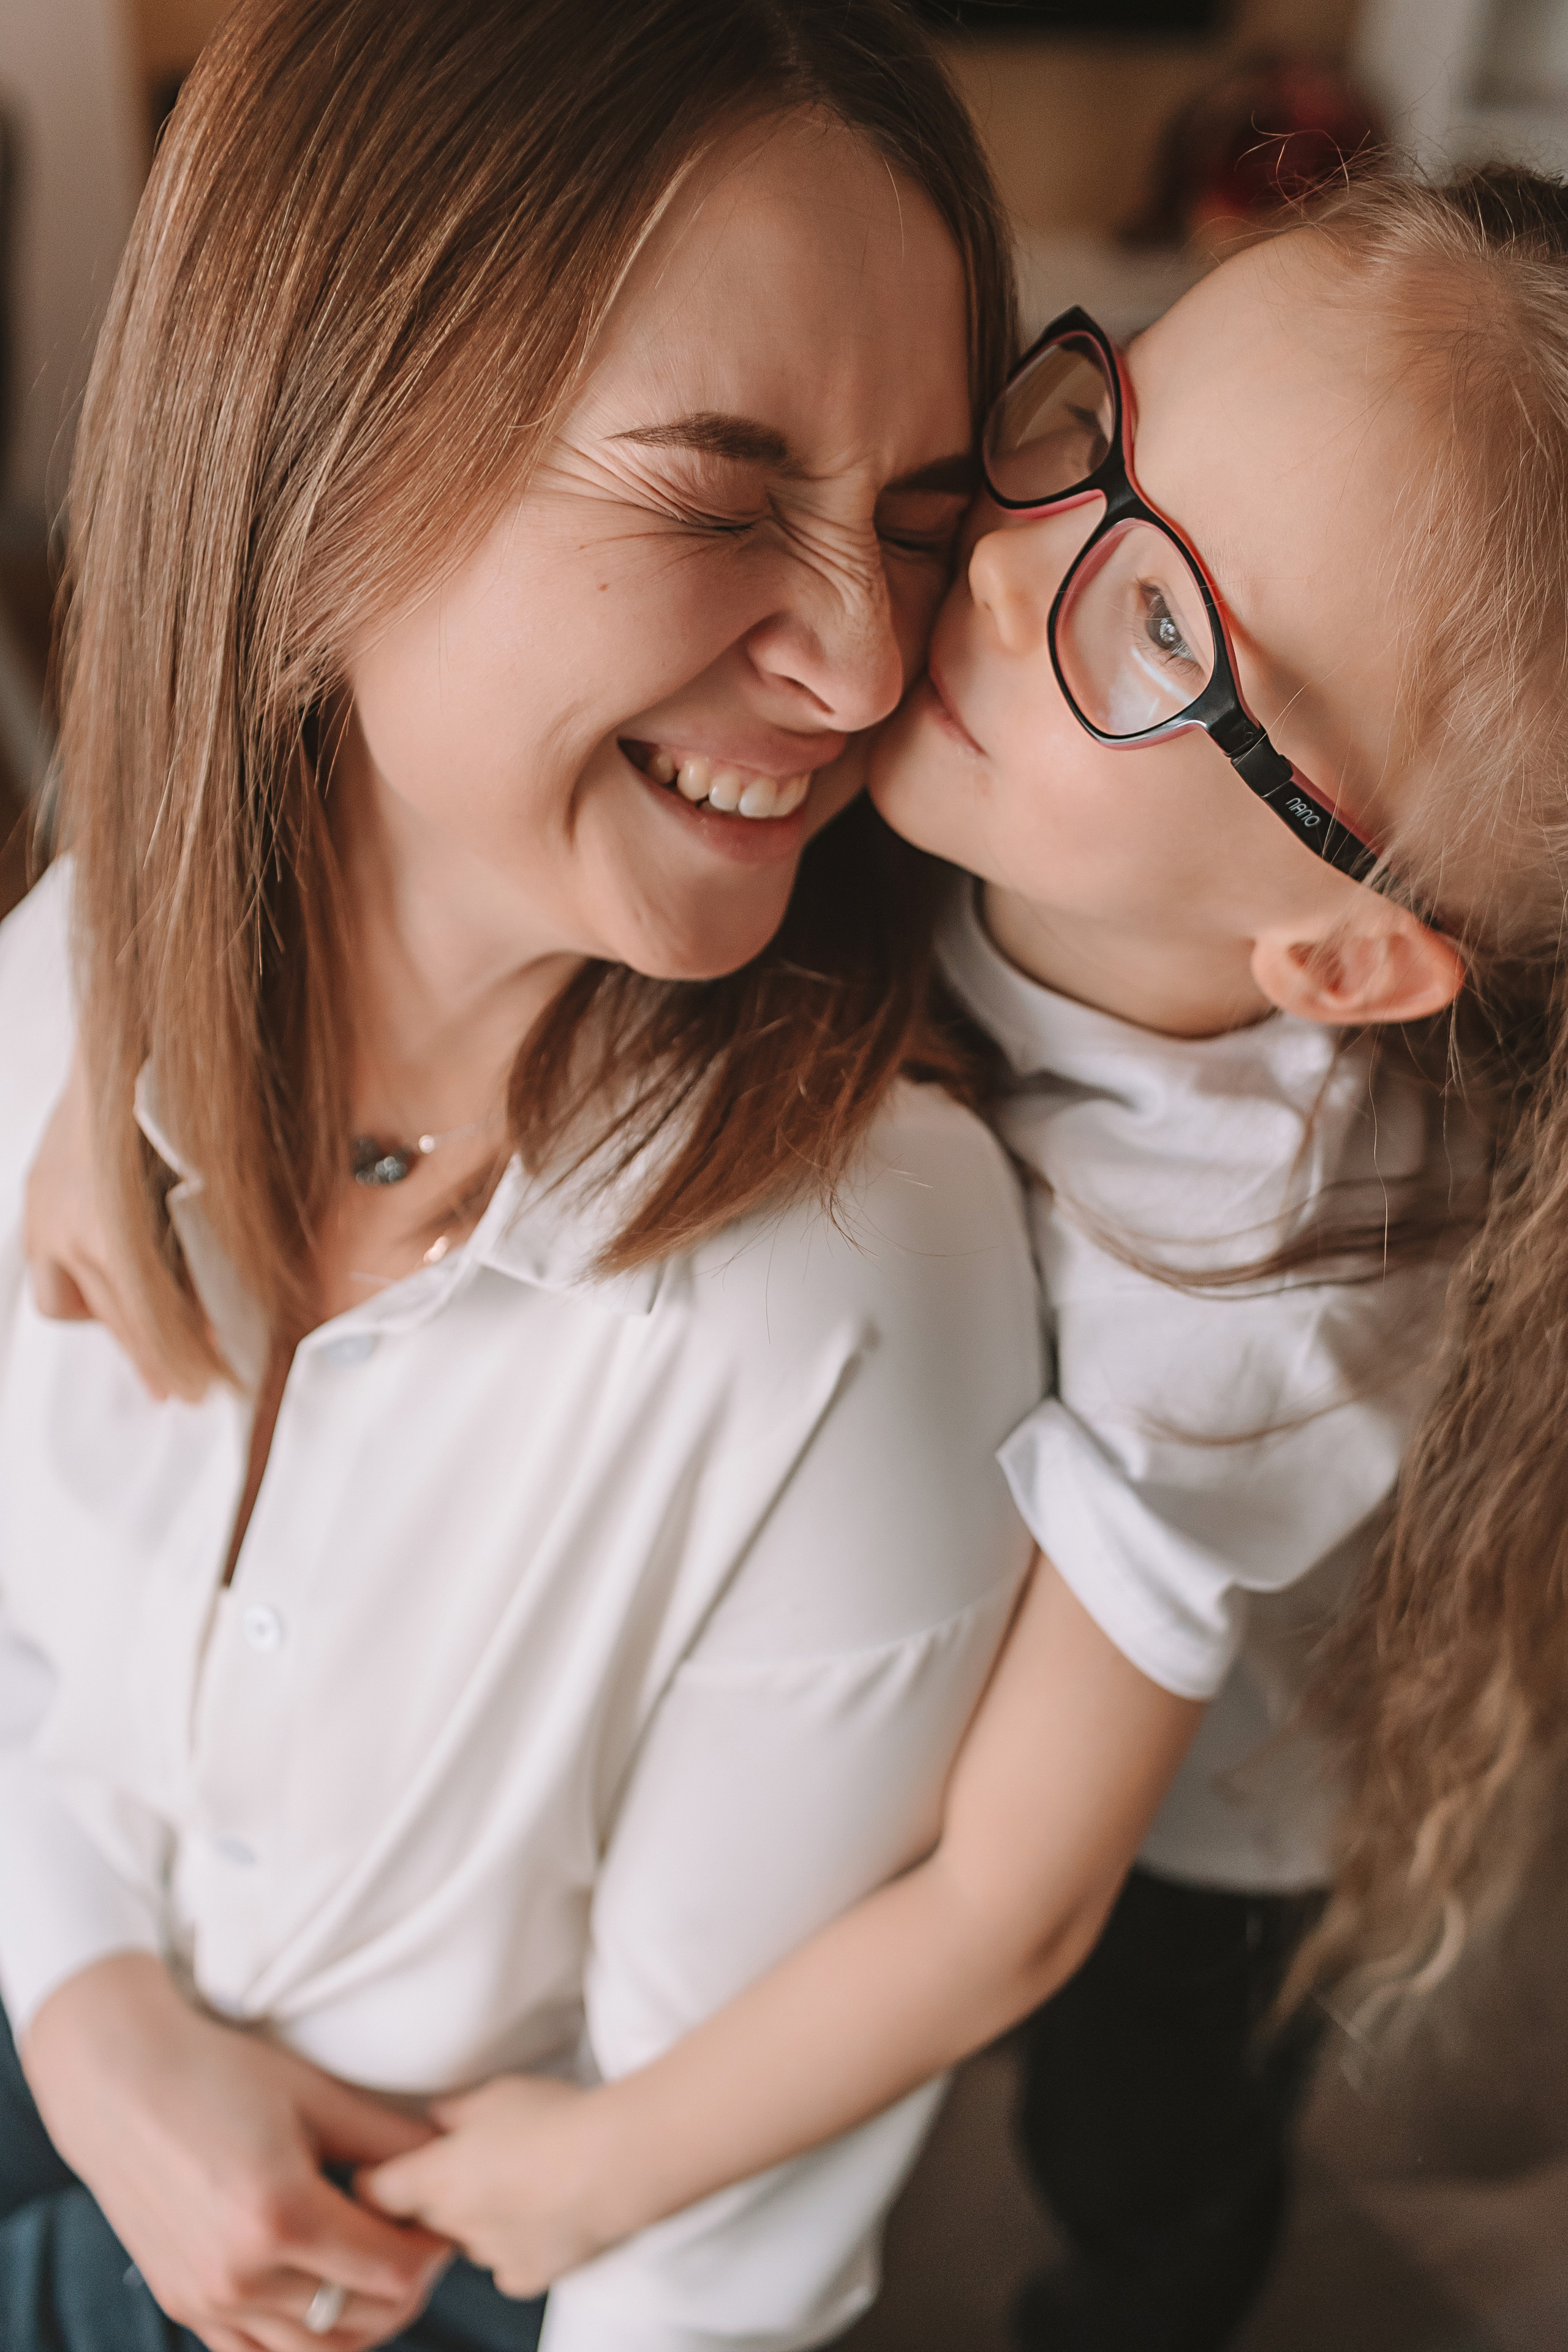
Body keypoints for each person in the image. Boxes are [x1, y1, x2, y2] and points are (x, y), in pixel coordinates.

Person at [0, 6, 1205, 2351]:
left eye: (924, 522)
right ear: (318, 446)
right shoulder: (57, 994)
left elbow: (707, 2263)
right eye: (723, 496)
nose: (863, 663)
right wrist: (80, 2008)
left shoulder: (854, 1271)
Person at [355, 165, 1568, 2352]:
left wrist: (603, 2163)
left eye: (1168, 633)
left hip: (1203, 1798)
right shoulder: (971, 761)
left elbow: (1013, 1902)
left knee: (1139, 2124)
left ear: (1340, 951)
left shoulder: (1257, 1318)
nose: (1001, 575)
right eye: (1086, 431)